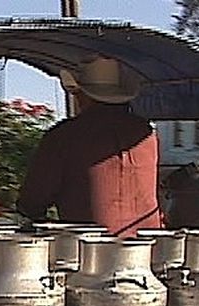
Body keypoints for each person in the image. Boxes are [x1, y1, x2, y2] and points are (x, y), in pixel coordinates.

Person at [16, 56, 162, 237]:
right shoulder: (147, 133)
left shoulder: (65, 134)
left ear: (84, 96)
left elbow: (33, 200)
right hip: (150, 245)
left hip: (90, 250)